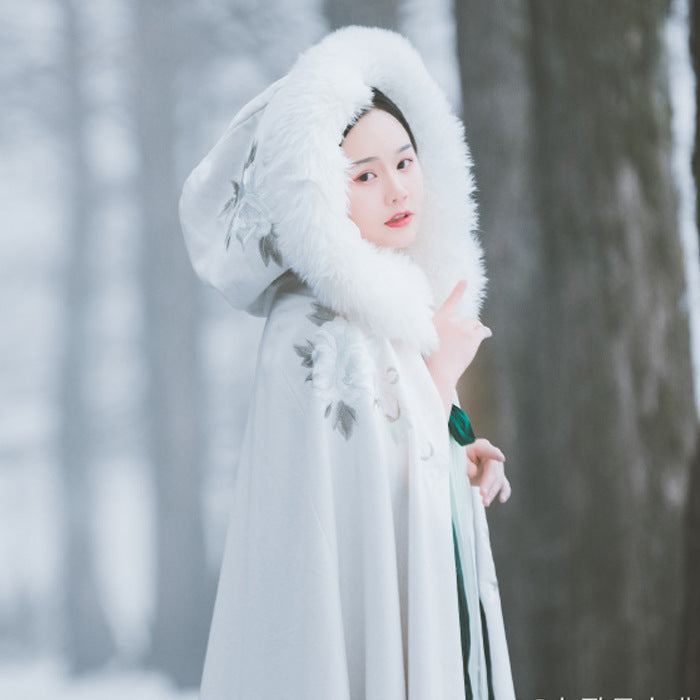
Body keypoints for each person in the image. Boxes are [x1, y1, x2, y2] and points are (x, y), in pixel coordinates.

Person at [178, 25, 516, 700]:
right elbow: (345, 525)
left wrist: (458, 449)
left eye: (404, 161)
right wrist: (439, 380)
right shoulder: (315, 323)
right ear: (319, 196)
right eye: (363, 175)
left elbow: (389, 486)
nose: (397, 190)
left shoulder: (386, 309)